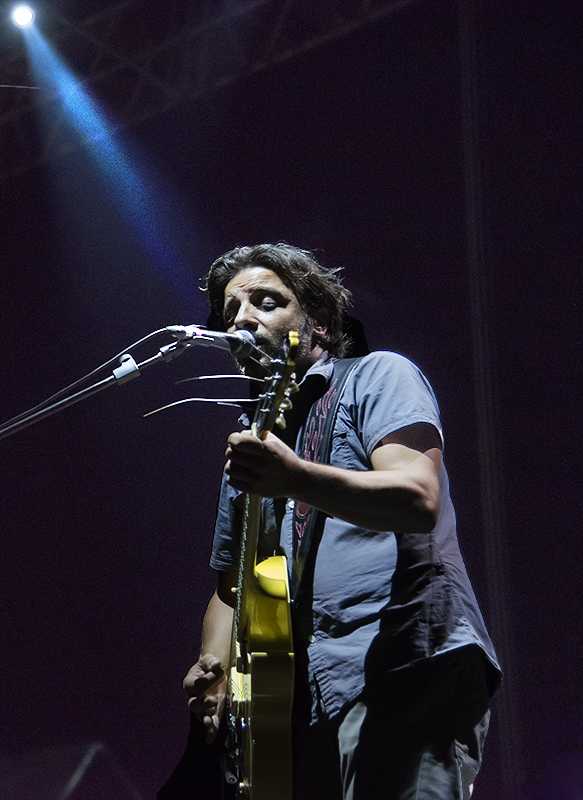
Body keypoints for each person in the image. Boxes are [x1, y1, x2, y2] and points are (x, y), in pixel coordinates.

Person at [177, 243, 502, 799]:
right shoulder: (254, 446)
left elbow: (418, 499)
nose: (243, 319)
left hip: (402, 659)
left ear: (318, 324)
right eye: (231, 312)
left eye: (266, 301)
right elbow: (233, 587)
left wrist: (296, 478)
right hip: (300, 702)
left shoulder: (377, 377)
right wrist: (215, 669)